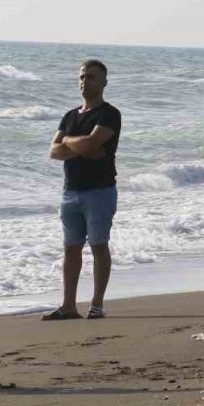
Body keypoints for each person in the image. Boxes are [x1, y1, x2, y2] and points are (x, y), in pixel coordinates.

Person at [44, 59, 121, 321]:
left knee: (99, 245)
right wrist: (77, 144)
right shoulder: (70, 115)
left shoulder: (109, 114)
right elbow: (54, 151)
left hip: (100, 190)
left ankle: (96, 304)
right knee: (71, 248)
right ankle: (68, 305)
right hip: (71, 191)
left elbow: (91, 143)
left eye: (91, 77)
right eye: (82, 77)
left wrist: (69, 141)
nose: (85, 81)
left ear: (104, 82)